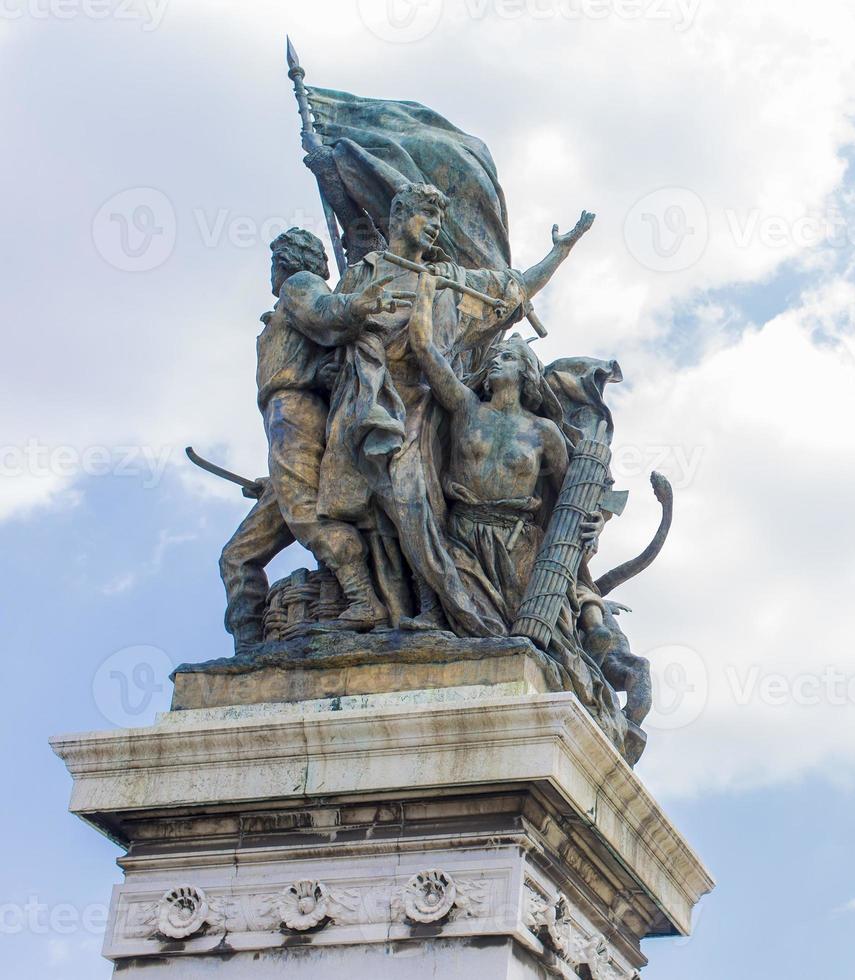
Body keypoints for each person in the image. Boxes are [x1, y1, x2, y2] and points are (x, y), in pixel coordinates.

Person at [318, 183, 594, 634]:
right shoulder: (362, 275)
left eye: (440, 222)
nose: (434, 230)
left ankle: (435, 606)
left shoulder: (452, 281)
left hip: (428, 409)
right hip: (362, 404)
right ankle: (383, 606)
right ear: (400, 214)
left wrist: (559, 254)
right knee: (364, 516)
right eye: (427, 218)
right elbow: (327, 323)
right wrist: (351, 318)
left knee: (413, 505)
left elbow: (514, 289)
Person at [218, 229, 400, 651]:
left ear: (286, 262)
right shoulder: (285, 307)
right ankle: (248, 650)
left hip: (293, 413)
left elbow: (324, 312)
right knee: (238, 555)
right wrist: (273, 484)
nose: (273, 271)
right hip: (288, 421)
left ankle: (363, 599)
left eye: (273, 262)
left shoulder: (298, 285)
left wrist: (354, 305)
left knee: (306, 514)